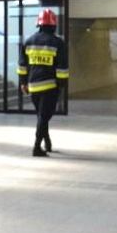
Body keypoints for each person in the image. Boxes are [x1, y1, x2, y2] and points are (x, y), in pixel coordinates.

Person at [18, 8, 69, 157]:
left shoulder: (29, 42)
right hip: (50, 87)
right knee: (44, 116)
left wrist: (23, 83)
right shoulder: (58, 43)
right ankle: (36, 147)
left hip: (33, 86)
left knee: (42, 116)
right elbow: (62, 68)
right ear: (54, 25)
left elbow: (22, 65)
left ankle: (47, 142)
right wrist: (61, 86)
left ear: (38, 24)